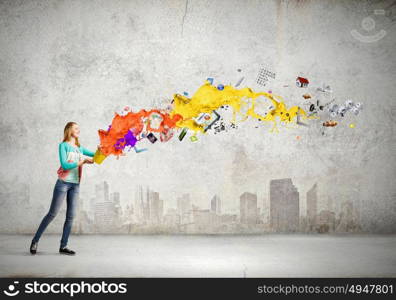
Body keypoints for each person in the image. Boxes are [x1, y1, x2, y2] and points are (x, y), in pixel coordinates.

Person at [30, 122, 98, 255]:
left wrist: (104, 150)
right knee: (52, 214)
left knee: (70, 217)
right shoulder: (63, 146)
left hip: (75, 185)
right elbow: (65, 165)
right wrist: (83, 161)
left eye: (79, 128)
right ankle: (35, 240)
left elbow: (95, 155)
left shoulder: (79, 148)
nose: (79, 130)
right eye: (76, 128)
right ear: (69, 130)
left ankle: (63, 246)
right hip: (63, 184)